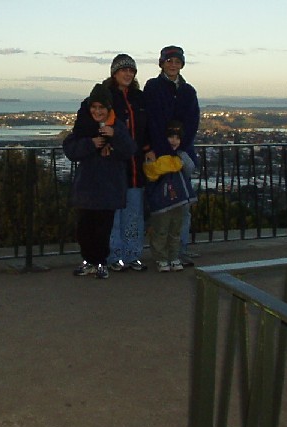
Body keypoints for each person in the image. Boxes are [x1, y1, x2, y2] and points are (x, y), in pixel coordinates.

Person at [74, 54, 149, 272]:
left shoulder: (139, 98)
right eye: (123, 70)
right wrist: (100, 142)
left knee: (134, 213)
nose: (127, 74)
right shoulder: (106, 96)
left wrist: (148, 148)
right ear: (114, 73)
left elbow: (147, 127)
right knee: (113, 216)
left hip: (135, 164)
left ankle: (132, 255)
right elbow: (86, 120)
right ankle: (114, 256)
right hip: (112, 166)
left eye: (131, 71)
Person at [63, 83, 137, 279]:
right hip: (87, 187)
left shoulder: (117, 126)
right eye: (94, 107)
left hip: (109, 187)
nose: (97, 111)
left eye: (101, 108)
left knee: (103, 229)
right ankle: (88, 261)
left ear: (108, 109)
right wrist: (90, 144)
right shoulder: (84, 126)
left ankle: (101, 262)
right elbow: (70, 150)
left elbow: (130, 150)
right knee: (84, 229)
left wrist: (116, 135)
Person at [143, 45, 200, 265]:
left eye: (177, 61)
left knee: (182, 207)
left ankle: (178, 251)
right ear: (162, 63)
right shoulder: (153, 87)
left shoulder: (188, 91)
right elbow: (151, 121)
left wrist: (180, 148)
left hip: (181, 154)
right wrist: (158, 148)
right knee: (160, 206)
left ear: (182, 64)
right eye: (169, 61)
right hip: (159, 154)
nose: (173, 65)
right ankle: (162, 255)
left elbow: (192, 123)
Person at [143, 120, 196, 271]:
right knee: (161, 230)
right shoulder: (157, 154)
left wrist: (180, 157)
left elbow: (190, 169)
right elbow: (152, 173)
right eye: (171, 137)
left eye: (177, 138)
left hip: (178, 200)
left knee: (175, 230)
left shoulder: (181, 155)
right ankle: (161, 258)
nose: (174, 141)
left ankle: (174, 256)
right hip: (162, 201)